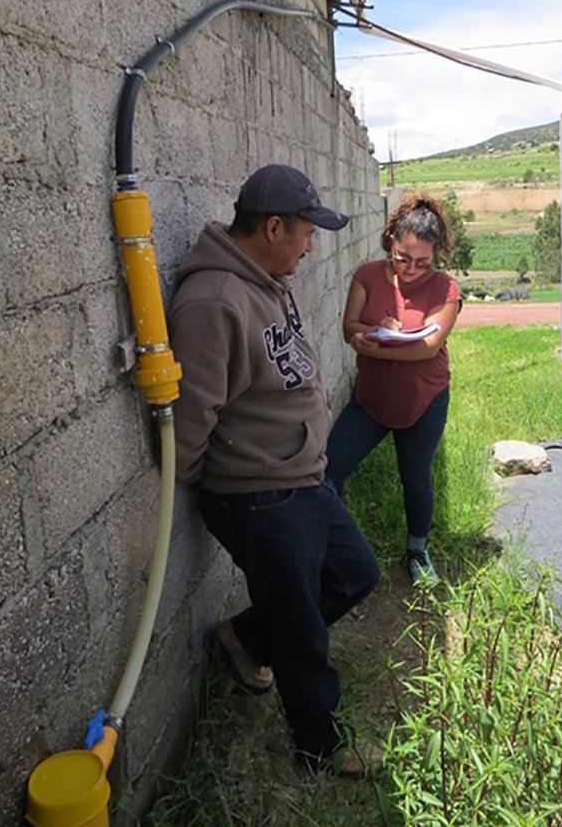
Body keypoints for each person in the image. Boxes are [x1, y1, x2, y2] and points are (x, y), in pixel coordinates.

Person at [168, 164, 381, 775]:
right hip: (259, 494)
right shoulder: (213, 301)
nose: (312, 245)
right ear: (274, 226)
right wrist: (207, 480)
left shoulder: (265, 278)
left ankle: (246, 639)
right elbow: (192, 412)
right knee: (304, 636)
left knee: (356, 573)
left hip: (301, 477)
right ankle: (322, 749)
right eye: (306, 233)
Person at [325, 195, 461, 586]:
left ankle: (418, 550)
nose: (413, 269)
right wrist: (365, 334)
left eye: (423, 262)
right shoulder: (366, 276)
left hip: (424, 399)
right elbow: (349, 326)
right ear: (390, 241)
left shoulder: (445, 287)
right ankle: (335, 546)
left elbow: (429, 347)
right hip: (370, 400)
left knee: (415, 476)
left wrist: (379, 346)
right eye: (403, 258)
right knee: (330, 468)